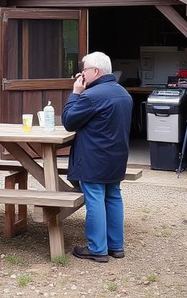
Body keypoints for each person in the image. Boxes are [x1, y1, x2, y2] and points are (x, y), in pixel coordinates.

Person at [62, 51, 133, 263]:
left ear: (95, 71)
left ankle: (97, 249)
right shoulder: (123, 93)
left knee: (94, 200)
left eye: (83, 69)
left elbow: (69, 120)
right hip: (117, 157)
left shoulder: (91, 96)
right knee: (113, 197)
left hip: (94, 158)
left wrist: (75, 93)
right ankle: (116, 246)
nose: (81, 74)